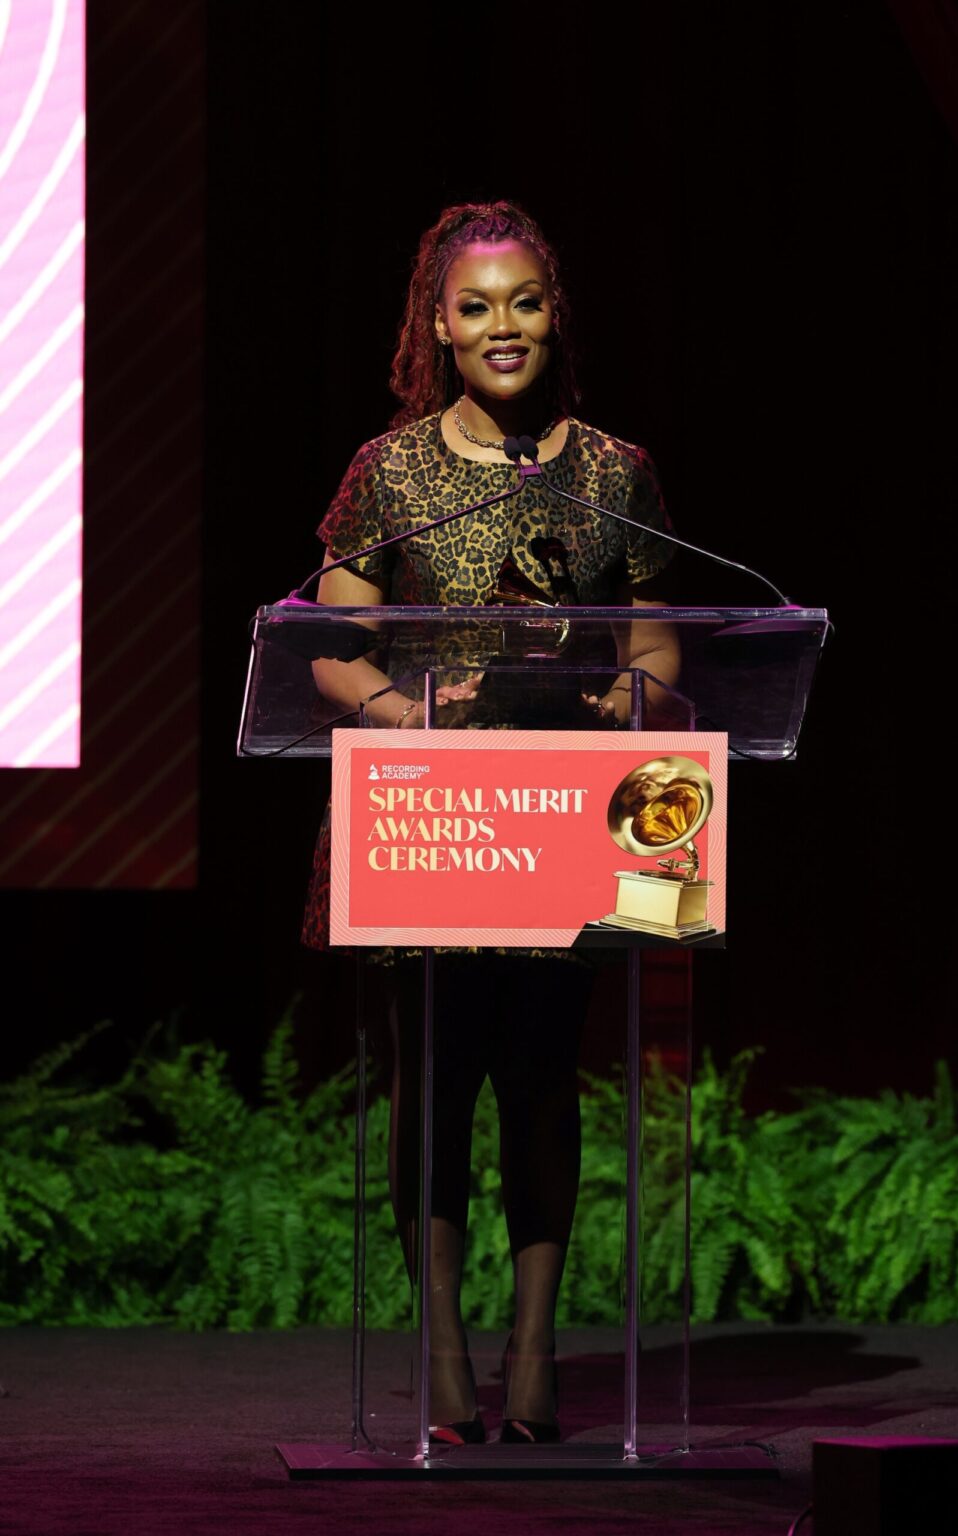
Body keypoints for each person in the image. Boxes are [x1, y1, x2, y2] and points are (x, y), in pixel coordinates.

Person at [302, 201, 679, 1445]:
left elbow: (658, 647)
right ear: (440, 328)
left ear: (550, 312)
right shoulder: (389, 470)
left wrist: (644, 701)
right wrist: (398, 710)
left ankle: (533, 1352)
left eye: (522, 300)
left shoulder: (613, 469)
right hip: (433, 823)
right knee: (437, 1080)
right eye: (476, 306)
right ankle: (445, 1352)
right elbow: (331, 653)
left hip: (565, 822)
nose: (501, 324)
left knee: (539, 1083)